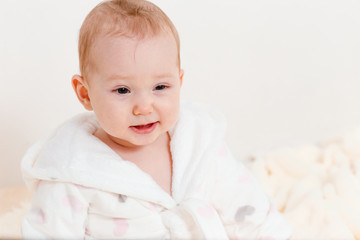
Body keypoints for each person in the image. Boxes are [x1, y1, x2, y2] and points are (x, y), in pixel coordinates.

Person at [21, 0, 293, 238]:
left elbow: (247, 209)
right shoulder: (72, 171)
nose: (143, 107)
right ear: (85, 93)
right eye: (123, 90)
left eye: (160, 87)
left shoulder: (199, 146)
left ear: (179, 81)